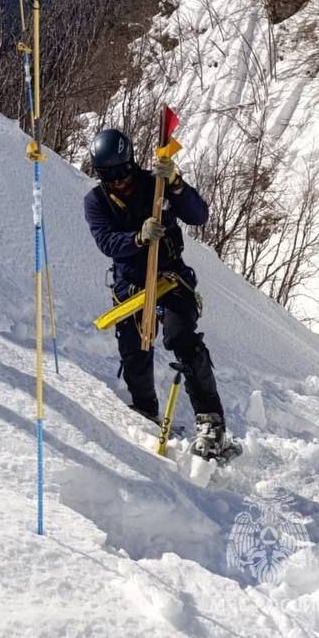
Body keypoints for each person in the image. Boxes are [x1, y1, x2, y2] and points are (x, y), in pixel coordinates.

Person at [83, 127, 228, 459]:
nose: (118, 181)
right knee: (134, 346)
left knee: (182, 338)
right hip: (131, 283)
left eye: (122, 172)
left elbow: (198, 215)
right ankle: (145, 408)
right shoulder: (96, 201)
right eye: (109, 176)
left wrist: (176, 183)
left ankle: (210, 421)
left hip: (170, 275)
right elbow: (106, 241)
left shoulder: (155, 184)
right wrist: (137, 238)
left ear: (131, 162)